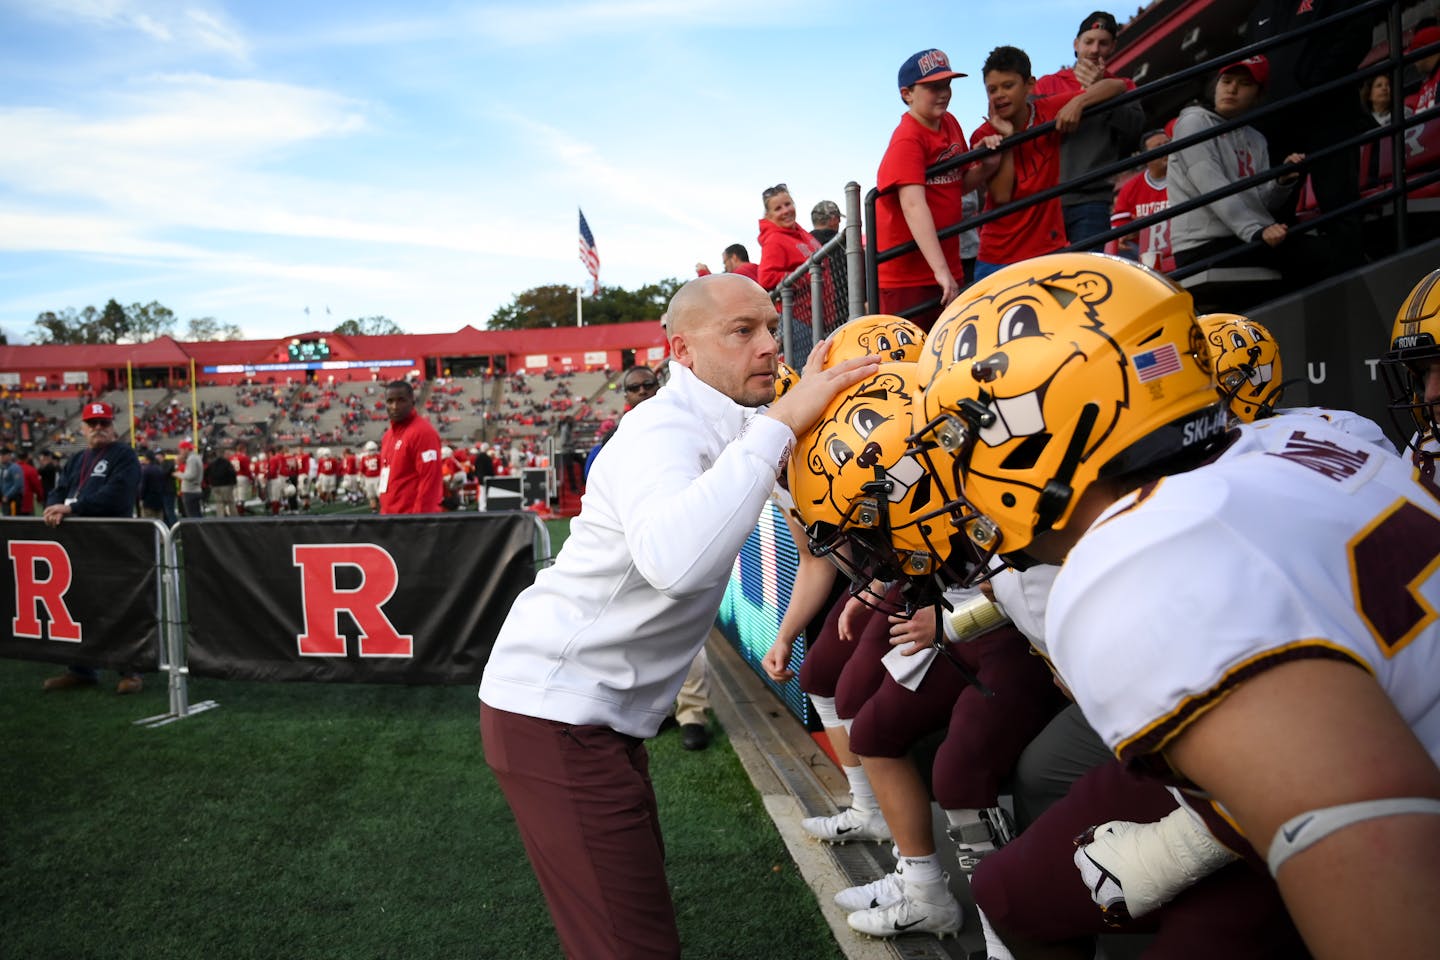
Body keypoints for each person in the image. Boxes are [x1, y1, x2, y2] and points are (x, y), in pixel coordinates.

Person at [915, 252, 1440, 959]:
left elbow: (1371, 837)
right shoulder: (1290, 439)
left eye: (958, 437)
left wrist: (1184, 845)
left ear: (1037, 426)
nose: (955, 467)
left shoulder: (1141, 553)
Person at [478, 272, 880, 959]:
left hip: (588, 713)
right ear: (682, 351)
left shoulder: (738, 423)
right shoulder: (658, 430)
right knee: (630, 944)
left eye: (771, 329)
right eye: (742, 331)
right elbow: (674, 561)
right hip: (557, 710)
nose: (768, 347)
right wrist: (783, 424)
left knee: (630, 924)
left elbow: (818, 536)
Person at [1167, 55, 1338, 293]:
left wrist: (1281, 182)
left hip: (1242, 237)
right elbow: (1211, 186)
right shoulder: (1193, 122)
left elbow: (1262, 203)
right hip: (1203, 244)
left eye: (1244, 84)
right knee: (1318, 255)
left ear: (1258, 95)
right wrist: (1255, 231)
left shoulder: (1255, 138)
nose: (1232, 89)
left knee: (1320, 251)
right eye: (1226, 81)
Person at [971, 45, 1130, 280]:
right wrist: (1008, 140)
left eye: (1008, 85)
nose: (999, 95)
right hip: (998, 256)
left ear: (1030, 85)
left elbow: (1117, 85)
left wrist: (1079, 102)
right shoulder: (984, 134)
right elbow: (1002, 195)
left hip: (1048, 250)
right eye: (992, 89)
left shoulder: (1047, 109)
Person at [875, 48, 1002, 329]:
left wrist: (988, 166)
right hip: (908, 275)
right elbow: (912, 204)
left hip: (943, 264)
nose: (943, 92)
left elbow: (957, 185)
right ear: (907, 94)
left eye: (947, 84)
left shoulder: (950, 122)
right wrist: (941, 270)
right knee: (914, 356)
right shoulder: (907, 137)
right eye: (933, 87)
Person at [41, 401, 145, 694]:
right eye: (93, 424)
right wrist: (52, 507)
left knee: (119, 606)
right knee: (79, 605)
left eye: (104, 423)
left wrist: (71, 508)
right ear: (83, 428)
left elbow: (117, 495)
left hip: (113, 540)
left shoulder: (123, 455)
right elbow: (58, 491)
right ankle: (82, 669)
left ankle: (130, 670)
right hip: (77, 542)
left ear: (113, 427)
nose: (99, 429)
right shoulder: (76, 459)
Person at [1034, 10, 1144, 247]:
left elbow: (1135, 131)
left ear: (1113, 46)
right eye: (1089, 42)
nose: (1095, 49)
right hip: (1046, 200)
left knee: (1085, 277)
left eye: (1103, 43)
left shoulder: (1124, 86)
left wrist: (1100, 91)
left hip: (1092, 198)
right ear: (1076, 44)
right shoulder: (1048, 82)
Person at [757, 183, 823, 362]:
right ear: (769, 216)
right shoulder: (774, 240)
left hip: (819, 314)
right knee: (807, 369)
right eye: (778, 208)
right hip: (798, 319)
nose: (785, 211)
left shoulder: (800, 233)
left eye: (788, 204)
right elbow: (766, 278)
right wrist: (804, 277)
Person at [1110, 127, 1174, 270]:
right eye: (1159, 147)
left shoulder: (1185, 178)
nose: (1167, 149)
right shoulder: (1130, 188)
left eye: (1168, 143)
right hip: (1142, 254)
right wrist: (1129, 232)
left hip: (1180, 246)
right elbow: (1119, 233)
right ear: (1146, 157)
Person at [378, 380, 442, 515]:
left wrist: (419, 521)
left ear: (412, 402)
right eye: (390, 401)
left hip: (410, 521)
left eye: (401, 400)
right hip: (389, 518)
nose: (395, 406)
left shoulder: (423, 432)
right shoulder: (388, 436)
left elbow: (429, 481)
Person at [695, 243, 761, 283]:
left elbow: (717, 292)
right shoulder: (759, 270)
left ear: (734, 257)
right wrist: (709, 275)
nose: (725, 267)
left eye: (725, 262)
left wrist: (702, 273)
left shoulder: (740, 274)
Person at [205, 448, 237, 516]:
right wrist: (234, 483)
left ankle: (221, 519)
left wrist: (209, 483)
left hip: (215, 486)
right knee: (230, 503)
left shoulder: (212, 464)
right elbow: (232, 473)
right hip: (226, 485)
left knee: (219, 504)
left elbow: (206, 473)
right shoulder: (226, 462)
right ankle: (234, 518)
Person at [139, 449, 168, 520]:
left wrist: (141, 497)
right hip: (159, 501)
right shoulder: (159, 469)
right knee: (159, 523)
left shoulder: (146, 470)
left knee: (148, 524)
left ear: (146, 458)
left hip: (148, 501)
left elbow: (143, 487)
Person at [177, 439, 203, 518]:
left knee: (192, 516)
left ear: (186, 449)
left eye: (181, 450)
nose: (180, 452)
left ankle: (195, 530)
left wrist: (178, 474)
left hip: (190, 490)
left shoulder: (191, 459)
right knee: (196, 514)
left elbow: (190, 476)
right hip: (195, 489)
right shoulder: (195, 457)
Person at [17, 449, 44, 516]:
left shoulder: (11, 469)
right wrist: (40, 498)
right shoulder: (31, 470)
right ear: (27, 458)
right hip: (27, 503)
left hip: (12, 502)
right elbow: (37, 486)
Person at [0, 447, 23, 515]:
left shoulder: (15, 468)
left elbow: (18, 485)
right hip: (5, 499)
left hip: (13, 499)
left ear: (9, 456)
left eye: (3, 455)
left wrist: (7, 495)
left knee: (13, 520)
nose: (1, 457)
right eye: (1, 455)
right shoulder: (2, 468)